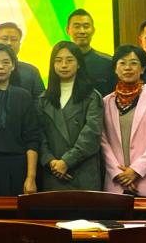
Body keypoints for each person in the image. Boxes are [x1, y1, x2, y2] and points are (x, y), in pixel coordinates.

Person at [101, 45, 146, 197]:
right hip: (117, 183)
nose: (128, 68)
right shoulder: (106, 102)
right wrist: (119, 173)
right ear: (115, 69)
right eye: (122, 63)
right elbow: (103, 141)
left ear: (143, 68)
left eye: (133, 63)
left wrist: (135, 171)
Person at [0, 44, 40, 196]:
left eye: (5, 62)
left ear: (13, 66)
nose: (0, 67)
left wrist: (31, 177)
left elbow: (32, 139)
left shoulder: (23, 96)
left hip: (17, 167)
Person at [37, 41, 103, 191]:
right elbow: (39, 135)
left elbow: (92, 134)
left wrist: (67, 161)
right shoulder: (43, 99)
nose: (64, 65)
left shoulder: (92, 97)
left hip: (83, 171)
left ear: (79, 64)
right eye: (58, 61)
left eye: (69, 60)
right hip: (53, 172)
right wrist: (51, 161)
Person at [66, 9, 114, 97]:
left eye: (86, 26)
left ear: (93, 30)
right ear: (68, 30)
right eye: (77, 27)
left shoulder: (108, 62)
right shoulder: (61, 63)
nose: (82, 31)